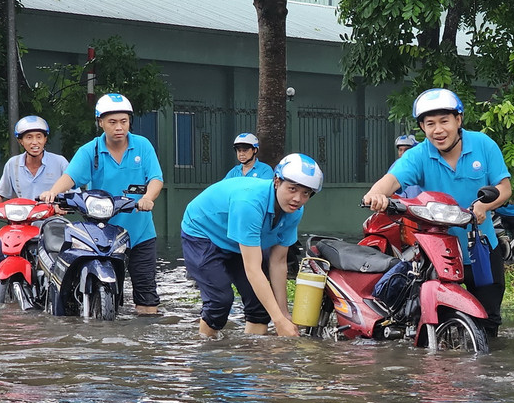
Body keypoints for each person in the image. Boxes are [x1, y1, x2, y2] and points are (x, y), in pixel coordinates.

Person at [362, 88, 512, 336]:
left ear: (458, 120)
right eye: (430, 124)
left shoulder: (484, 145)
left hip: (481, 248)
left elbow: (504, 188)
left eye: (444, 121)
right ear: (422, 127)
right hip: (437, 251)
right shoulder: (418, 155)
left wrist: (484, 206)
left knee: (489, 320)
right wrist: (376, 194)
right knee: (435, 318)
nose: (438, 130)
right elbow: (390, 180)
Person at [40, 93, 164, 315]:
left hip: (139, 232)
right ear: (100, 122)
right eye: (112, 122)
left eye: (124, 121)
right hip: (102, 234)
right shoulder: (91, 150)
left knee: (147, 295)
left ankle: (145, 342)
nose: (119, 127)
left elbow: (155, 178)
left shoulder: (143, 146)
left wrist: (147, 198)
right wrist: (53, 192)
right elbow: (71, 177)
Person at [181, 153, 323, 338]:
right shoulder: (249, 203)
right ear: (277, 181)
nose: (297, 198)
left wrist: (283, 314)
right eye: (292, 189)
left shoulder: (294, 211)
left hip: (239, 239)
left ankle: (253, 361)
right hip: (203, 232)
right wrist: (278, 322)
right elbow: (253, 269)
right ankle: (206, 352)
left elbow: (279, 262)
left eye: (305, 193)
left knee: (260, 305)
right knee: (220, 302)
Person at [0, 116, 69, 201]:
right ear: (20, 141)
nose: (34, 142)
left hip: (53, 214)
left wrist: (62, 206)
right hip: (23, 213)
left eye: (39, 137)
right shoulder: (12, 163)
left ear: (45, 139)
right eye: (29, 137)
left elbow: (74, 194)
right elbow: (0, 194)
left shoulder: (60, 162)